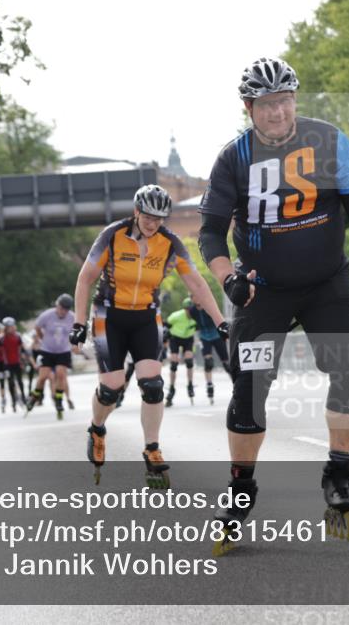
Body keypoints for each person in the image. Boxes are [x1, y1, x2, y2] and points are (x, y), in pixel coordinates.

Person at [198, 57, 349, 533]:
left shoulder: (329, 141)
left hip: (327, 284)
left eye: (284, 101)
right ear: (248, 108)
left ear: (295, 100)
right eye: (266, 104)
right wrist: (228, 279)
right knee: (249, 389)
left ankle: (338, 474)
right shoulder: (233, 159)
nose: (277, 112)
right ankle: (241, 489)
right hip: (262, 291)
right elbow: (210, 233)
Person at [69, 184, 229, 485]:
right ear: (136, 212)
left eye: (159, 218)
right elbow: (85, 279)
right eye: (148, 217)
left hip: (145, 316)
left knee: (153, 386)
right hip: (109, 315)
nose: (153, 224)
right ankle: (97, 428)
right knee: (111, 388)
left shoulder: (170, 243)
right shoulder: (112, 235)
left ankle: (152, 448)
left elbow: (197, 284)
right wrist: (78, 323)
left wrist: (220, 322)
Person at [28, 293, 77, 420]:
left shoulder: (72, 317)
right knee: (43, 377)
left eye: (66, 309)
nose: (63, 311)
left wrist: (74, 344)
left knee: (61, 375)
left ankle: (59, 401)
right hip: (47, 350)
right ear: (57, 306)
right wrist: (41, 338)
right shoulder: (47, 315)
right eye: (61, 308)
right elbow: (37, 327)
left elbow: (76, 331)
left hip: (63, 351)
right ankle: (34, 396)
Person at [191, 298, 231, 404]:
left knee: (226, 364)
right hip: (204, 337)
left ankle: (235, 383)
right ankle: (209, 385)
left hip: (216, 336)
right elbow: (193, 322)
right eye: (193, 297)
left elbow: (218, 318)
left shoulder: (208, 306)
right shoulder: (192, 310)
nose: (196, 300)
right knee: (208, 363)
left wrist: (225, 334)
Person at [164, 297, 197, 406]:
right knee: (174, 364)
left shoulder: (197, 317)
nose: (190, 312)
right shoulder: (176, 316)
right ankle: (172, 388)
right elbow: (166, 325)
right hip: (175, 338)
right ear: (185, 309)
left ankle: (190, 384)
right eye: (188, 310)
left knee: (189, 361)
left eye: (191, 310)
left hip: (188, 339)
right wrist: (165, 339)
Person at [0, 317, 27, 411]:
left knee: (20, 381)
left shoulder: (17, 336)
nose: (11, 329)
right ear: (5, 328)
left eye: (12, 326)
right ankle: (13, 401)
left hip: (17, 362)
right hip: (7, 364)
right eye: (8, 327)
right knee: (10, 382)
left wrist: (23, 359)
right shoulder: (1, 338)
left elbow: (22, 349)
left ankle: (23, 397)